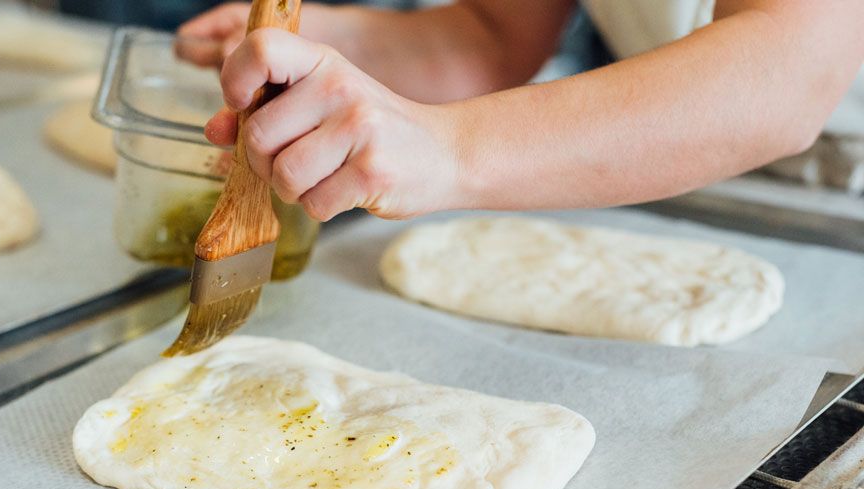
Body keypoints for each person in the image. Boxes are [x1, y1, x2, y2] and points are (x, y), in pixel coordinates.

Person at [175, 0, 864, 222]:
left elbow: (780, 78)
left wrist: (449, 150)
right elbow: (491, 35)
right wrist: (332, 42)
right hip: (641, 159)